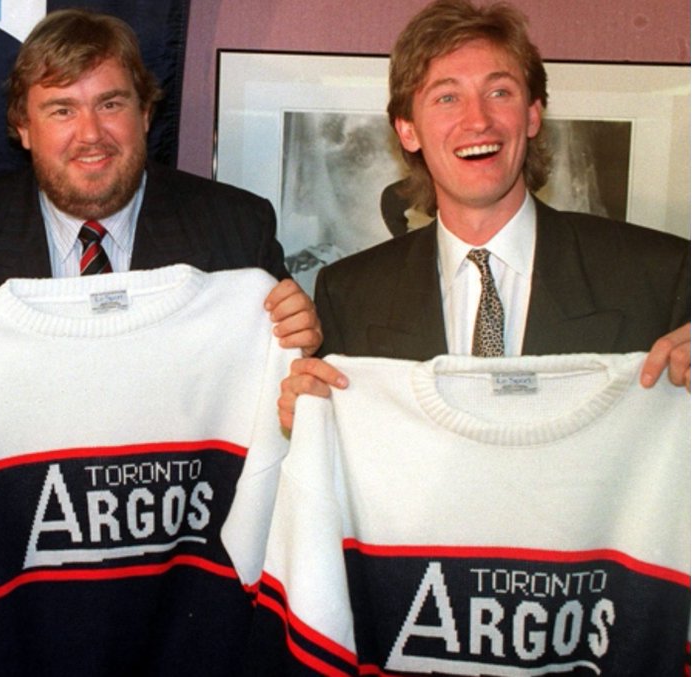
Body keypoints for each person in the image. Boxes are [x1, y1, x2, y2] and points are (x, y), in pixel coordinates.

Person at [0, 8, 321, 407]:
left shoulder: (238, 230)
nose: (90, 134)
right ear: (23, 128)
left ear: (145, 114)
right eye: (62, 110)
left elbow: (287, 407)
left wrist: (297, 353)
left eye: (110, 104)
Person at [279, 0, 690, 427]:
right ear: (408, 130)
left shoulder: (661, 277)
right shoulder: (348, 295)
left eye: (499, 93)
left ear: (532, 115)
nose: (477, 120)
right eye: (447, 97)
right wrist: (311, 422)